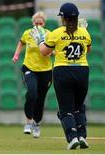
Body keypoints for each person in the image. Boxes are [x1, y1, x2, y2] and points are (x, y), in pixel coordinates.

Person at [31, 3, 91, 149]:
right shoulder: (84, 32)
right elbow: (87, 50)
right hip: (82, 70)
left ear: (63, 18)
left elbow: (44, 52)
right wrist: (82, 33)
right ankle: (82, 135)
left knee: (66, 109)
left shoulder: (56, 33)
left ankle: (72, 137)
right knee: (78, 107)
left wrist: (40, 39)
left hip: (63, 71)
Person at [12, 12, 52, 138]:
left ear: (44, 24)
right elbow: (21, 42)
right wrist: (16, 54)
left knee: (40, 99)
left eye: (41, 23)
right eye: (36, 23)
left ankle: (37, 123)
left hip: (45, 70)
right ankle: (28, 121)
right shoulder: (28, 33)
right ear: (33, 23)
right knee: (32, 94)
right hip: (30, 67)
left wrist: (51, 51)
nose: (38, 25)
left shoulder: (49, 34)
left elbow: (53, 49)